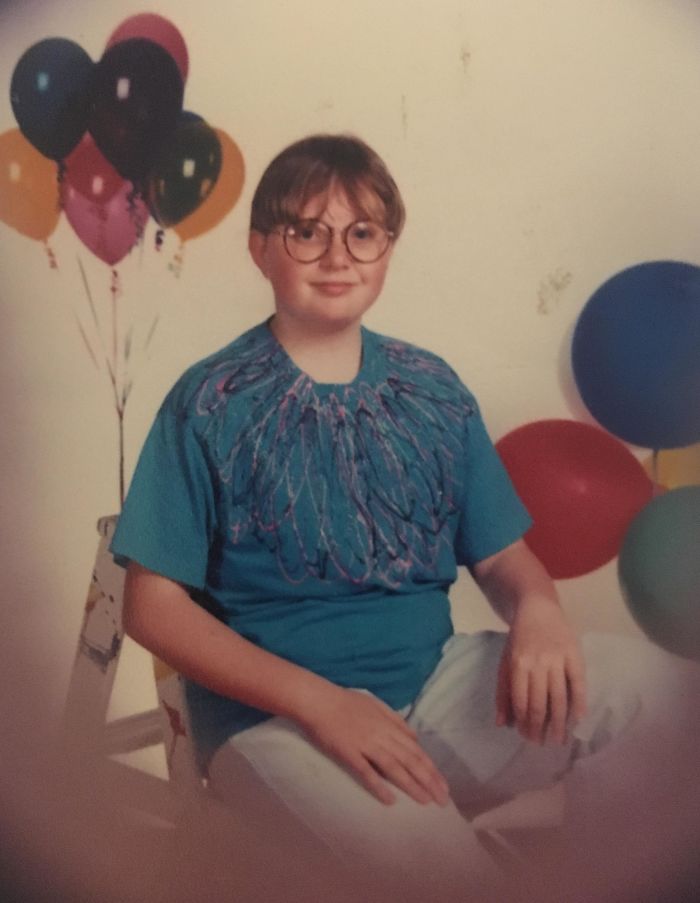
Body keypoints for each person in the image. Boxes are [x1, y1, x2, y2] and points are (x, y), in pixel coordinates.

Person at [110, 134, 693, 899]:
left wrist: (540, 607)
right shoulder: (208, 400)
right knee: (446, 875)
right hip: (278, 725)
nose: (336, 254)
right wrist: (325, 706)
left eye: (362, 233)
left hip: (435, 689)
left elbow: (501, 558)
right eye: (305, 230)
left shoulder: (432, 388)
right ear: (260, 249)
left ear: (388, 247)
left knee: (665, 699)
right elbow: (151, 607)